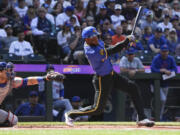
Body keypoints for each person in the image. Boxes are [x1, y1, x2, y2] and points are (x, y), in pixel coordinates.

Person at [65, 26, 155, 127]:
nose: (96, 38)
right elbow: (111, 50)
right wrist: (126, 41)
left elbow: (111, 48)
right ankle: (71, 115)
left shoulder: (97, 42)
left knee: (133, 88)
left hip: (111, 74)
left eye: (96, 36)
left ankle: (141, 118)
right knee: (97, 109)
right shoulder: (90, 51)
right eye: (93, 37)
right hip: (101, 79)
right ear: (87, 39)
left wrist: (126, 45)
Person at [0, 61, 64, 127]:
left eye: (9, 70)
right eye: (6, 70)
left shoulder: (11, 82)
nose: (9, 72)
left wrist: (45, 78)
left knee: (13, 120)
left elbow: (29, 81)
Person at [119, 47, 152, 119]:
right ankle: (124, 118)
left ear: (134, 54)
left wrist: (135, 70)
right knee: (124, 101)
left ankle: (135, 117)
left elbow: (143, 69)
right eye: (129, 54)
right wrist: (129, 71)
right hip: (124, 83)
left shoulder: (136, 60)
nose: (130, 56)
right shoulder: (124, 59)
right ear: (127, 55)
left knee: (137, 99)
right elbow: (121, 69)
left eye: (132, 54)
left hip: (136, 83)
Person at [151, 44, 177, 120]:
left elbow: (175, 70)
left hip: (165, 84)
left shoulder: (170, 59)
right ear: (160, 52)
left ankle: (159, 117)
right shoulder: (156, 58)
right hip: (155, 84)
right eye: (163, 51)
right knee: (162, 99)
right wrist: (161, 70)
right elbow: (152, 69)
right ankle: (157, 116)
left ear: (168, 52)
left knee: (163, 102)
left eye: (166, 51)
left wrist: (169, 71)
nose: (164, 53)